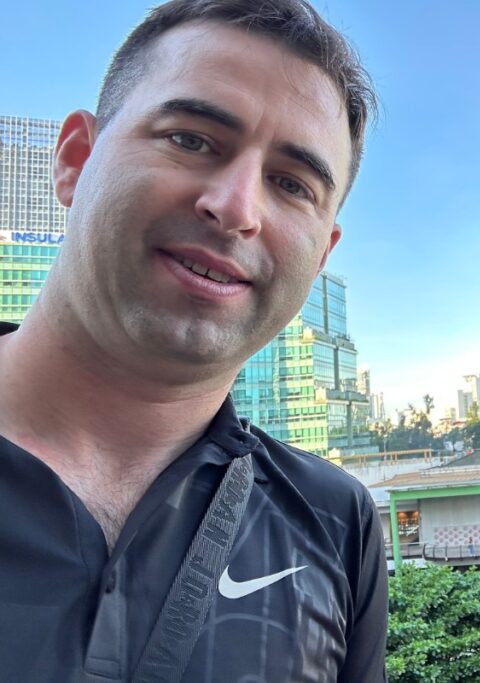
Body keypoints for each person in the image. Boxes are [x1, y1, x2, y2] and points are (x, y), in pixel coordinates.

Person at [0, 1, 387, 681]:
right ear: (75, 160)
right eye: (191, 139)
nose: (237, 208)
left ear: (321, 255)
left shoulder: (336, 522)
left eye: (292, 184)